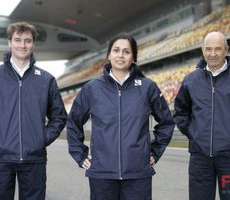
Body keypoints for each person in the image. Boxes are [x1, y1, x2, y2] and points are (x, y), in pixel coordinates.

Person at [67, 33, 175, 200]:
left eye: (126, 51)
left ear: (133, 57)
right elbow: (73, 122)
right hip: (102, 174)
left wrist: (154, 151)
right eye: (116, 50)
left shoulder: (148, 88)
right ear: (109, 55)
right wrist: (79, 154)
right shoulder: (92, 89)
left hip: (138, 174)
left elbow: (167, 122)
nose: (120, 55)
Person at [0, 21, 67, 200]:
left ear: (33, 44)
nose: (23, 45)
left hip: (34, 159)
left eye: (27, 40)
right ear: (10, 42)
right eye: (18, 40)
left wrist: (41, 139)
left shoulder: (46, 80)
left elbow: (59, 116)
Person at [174, 31, 230, 200]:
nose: (212, 54)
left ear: (226, 50)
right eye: (208, 49)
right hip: (200, 158)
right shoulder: (191, 80)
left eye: (218, 49)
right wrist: (194, 134)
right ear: (202, 50)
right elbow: (181, 112)